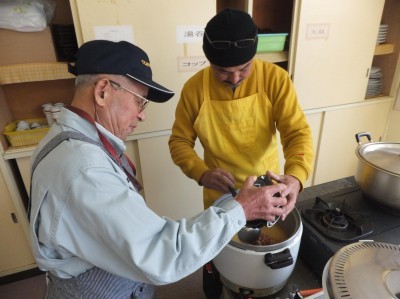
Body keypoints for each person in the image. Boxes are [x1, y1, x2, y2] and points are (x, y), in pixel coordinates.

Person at [28, 39, 288, 299]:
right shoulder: (86, 170)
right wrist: (241, 209)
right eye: (140, 101)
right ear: (103, 91)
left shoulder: (62, 138)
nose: (142, 115)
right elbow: (163, 254)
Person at [168, 8, 314, 298]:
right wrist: (202, 173)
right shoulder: (194, 89)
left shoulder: (275, 80)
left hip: (268, 193)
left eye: (244, 69)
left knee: (260, 264)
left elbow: (297, 134)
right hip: (221, 198)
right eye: (223, 71)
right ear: (209, 61)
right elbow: (179, 142)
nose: (234, 78)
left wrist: (296, 178)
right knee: (217, 264)